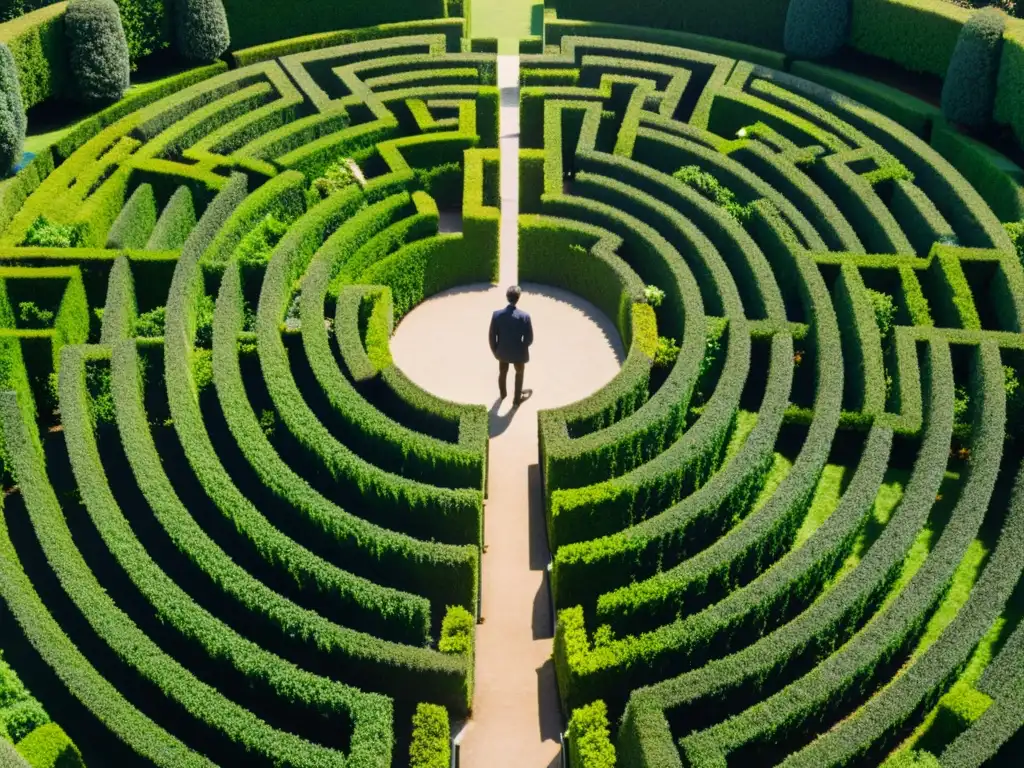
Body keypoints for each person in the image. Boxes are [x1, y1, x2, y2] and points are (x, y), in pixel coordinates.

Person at [489, 285, 533, 405]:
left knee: (503, 372)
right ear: (518, 298)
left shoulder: (496, 315)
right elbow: (529, 339)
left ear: (507, 297)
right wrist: (522, 347)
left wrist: (496, 351)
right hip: (518, 353)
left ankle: (503, 394)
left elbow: (492, 336)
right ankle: (516, 399)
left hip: (502, 351)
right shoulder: (525, 317)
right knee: (519, 373)